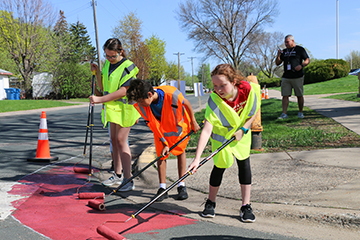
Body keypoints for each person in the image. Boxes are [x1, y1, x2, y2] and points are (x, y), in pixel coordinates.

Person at [187, 64, 260, 223]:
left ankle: (246, 206)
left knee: (244, 165)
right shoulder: (214, 99)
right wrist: (197, 159)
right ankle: (210, 202)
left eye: (222, 85)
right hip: (221, 138)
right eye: (215, 86)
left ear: (234, 82)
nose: (219, 89)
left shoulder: (248, 91)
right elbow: (206, 130)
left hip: (241, 135)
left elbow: (252, 112)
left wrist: (244, 130)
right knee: (219, 167)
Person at [127, 79, 200, 201]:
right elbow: (152, 124)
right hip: (160, 130)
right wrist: (163, 142)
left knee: (180, 151)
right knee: (161, 155)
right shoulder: (145, 105)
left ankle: (181, 185)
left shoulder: (171, 94)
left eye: (140, 101)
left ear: (149, 95)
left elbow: (186, 103)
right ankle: (162, 188)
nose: (140, 104)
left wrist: (193, 121)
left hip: (176, 127)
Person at [89, 38, 140, 191]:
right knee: (113, 140)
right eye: (107, 56)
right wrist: (97, 73)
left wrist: (100, 99)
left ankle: (128, 179)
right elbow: (104, 86)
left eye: (113, 56)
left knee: (121, 140)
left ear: (120, 52)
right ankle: (117, 175)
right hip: (112, 110)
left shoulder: (128, 67)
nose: (110, 59)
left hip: (126, 110)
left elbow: (123, 91)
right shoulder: (107, 66)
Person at [275, 34, 310, 119]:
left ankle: (300, 112)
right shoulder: (284, 51)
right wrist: (279, 55)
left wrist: (301, 66)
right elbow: (277, 63)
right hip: (286, 76)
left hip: (297, 76)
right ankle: (284, 114)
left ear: (292, 41)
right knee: (285, 95)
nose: (286, 44)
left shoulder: (300, 49)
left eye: (287, 42)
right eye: (285, 42)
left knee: (299, 95)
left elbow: (307, 60)